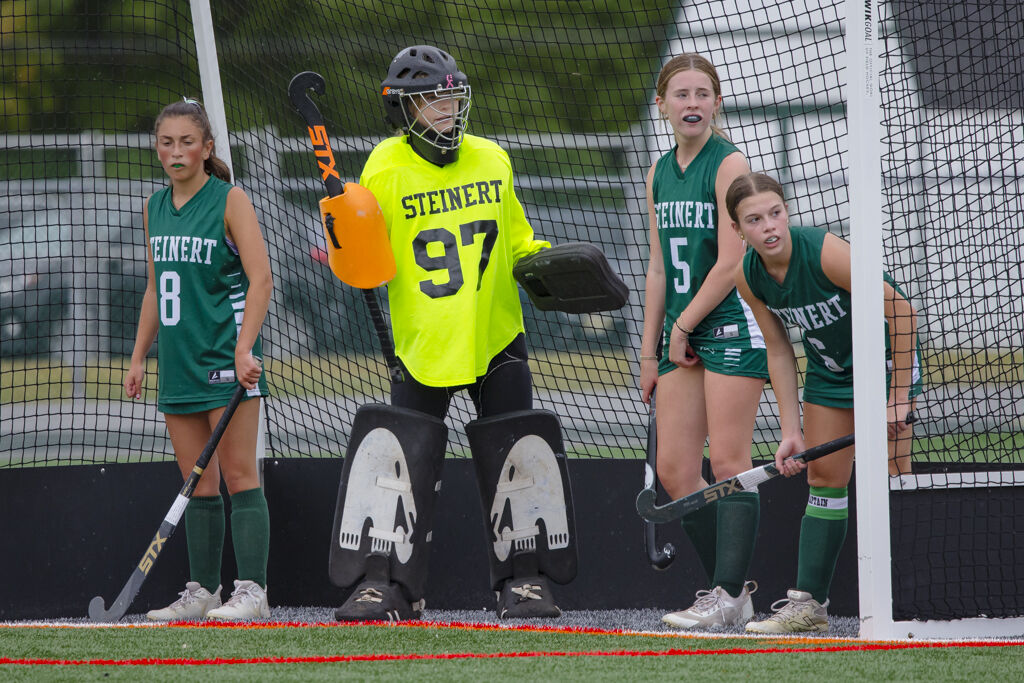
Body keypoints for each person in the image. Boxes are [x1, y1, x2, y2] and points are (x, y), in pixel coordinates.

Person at [328, 45, 577, 622]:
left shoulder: (492, 158)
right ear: (404, 109)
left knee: (518, 457)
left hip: (495, 336)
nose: (445, 108)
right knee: (403, 468)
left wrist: (555, 268)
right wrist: (345, 232)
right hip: (422, 345)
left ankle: (525, 579)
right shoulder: (383, 168)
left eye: (451, 96)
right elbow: (367, 262)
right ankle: (391, 584)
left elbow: (519, 241)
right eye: (431, 99)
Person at [729, 171, 921, 632]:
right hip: (828, 376)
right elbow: (778, 349)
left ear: (787, 211)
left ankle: (914, 603)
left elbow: (901, 310)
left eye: (776, 213)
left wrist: (896, 399)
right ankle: (810, 608)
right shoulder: (748, 275)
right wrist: (790, 430)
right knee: (824, 480)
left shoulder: (824, 251)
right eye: (754, 220)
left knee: (894, 475)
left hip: (883, 371)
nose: (769, 226)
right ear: (738, 230)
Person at [124, 98, 273, 621]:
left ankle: (252, 591)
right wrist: (140, 356)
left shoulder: (230, 199)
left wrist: (244, 348)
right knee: (196, 482)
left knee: (237, 474)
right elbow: (153, 287)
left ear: (207, 148)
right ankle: (202, 592)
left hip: (228, 364)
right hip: (179, 364)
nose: (176, 151)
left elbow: (261, 278)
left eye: (187, 141)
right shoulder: (154, 207)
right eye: (166, 142)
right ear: (157, 149)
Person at [638, 54, 767, 630]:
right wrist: (650, 350)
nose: (692, 104)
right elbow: (659, 268)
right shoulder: (658, 171)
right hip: (680, 335)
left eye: (703, 94)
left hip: (731, 323)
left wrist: (684, 327)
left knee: (729, 462)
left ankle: (725, 592)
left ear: (717, 102)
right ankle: (731, 596)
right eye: (681, 94)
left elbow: (732, 260)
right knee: (674, 473)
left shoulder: (728, 163)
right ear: (662, 105)